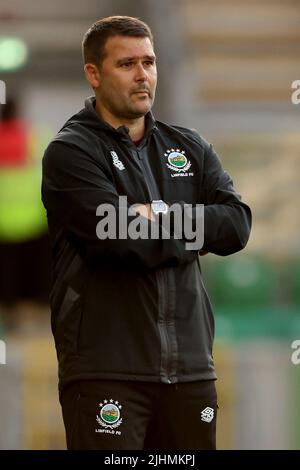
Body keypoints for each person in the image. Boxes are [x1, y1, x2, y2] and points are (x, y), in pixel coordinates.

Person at [41, 16, 251, 450]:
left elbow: (235, 225)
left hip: (191, 370)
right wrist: (194, 225)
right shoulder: (70, 151)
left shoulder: (189, 147)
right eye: (127, 64)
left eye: (150, 62)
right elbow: (116, 238)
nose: (143, 75)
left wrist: (152, 213)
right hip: (107, 371)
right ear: (93, 74)